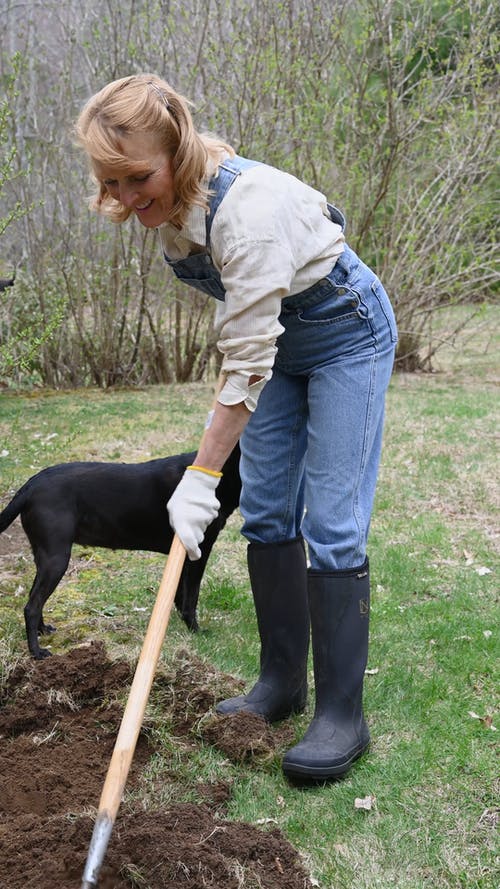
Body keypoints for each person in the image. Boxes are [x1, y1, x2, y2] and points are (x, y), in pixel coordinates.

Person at [75, 73, 398, 781]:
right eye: (112, 183)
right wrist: (211, 472)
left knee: (335, 520)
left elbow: (243, 363)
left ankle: (343, 715)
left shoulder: (246, 212)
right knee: (270, 510)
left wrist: (200, 473)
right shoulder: (177, 208)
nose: (127, 200)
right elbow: (247, 342)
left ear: (177, 147)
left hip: (346, 335)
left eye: (136, 179)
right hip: (281, 348)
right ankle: (282, 681)